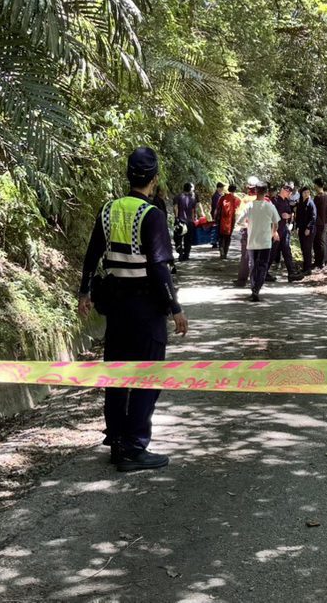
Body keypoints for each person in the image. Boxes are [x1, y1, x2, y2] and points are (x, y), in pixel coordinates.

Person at [78, 147, 189, 472]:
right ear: (154, 179)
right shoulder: (151, 215)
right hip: (146, 309)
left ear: (128, 176)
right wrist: (175, 307)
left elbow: (91, 254)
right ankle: (134, 446)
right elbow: (158, 268)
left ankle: (116, 438)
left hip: (116, 308)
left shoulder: (108, 210)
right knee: (147, 375)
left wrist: (84, 291)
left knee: (117, 374)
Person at [236, 180, 279, 301]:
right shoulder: (270, 206)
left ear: (255, 191)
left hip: (252, 241)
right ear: (266, 192)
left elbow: (239, 222)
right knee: (263, 266)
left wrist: (248, 226)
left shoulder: (249, 206)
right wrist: (271, 234)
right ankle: (257, 289)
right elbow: (276, 224)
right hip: (265, 241)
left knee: (253, 265)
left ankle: (254, 288)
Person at [267, 183, 304, 282]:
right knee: (272, 252)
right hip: (276, 229)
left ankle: (291, 273)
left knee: (287, 251)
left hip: (285, 229)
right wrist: (274, 230)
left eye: (291, 192)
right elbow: (271, 215)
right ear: (283, 190)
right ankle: (264, 271)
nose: (290, 193)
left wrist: (289, 216)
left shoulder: (287, 201)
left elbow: (290, 213)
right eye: (288, 191)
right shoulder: (275, 201)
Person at [312, 177, 327, 269]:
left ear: (317, 185)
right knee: (322, 242)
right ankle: (322, 261)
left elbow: (315, 211)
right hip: (326, 222)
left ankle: (320, 262)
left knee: (319, 242)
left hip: (320, 222)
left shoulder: (319, 197)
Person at [295, 186, 317, 274]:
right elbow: (298, 216)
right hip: (301, 228)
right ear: (301, 193)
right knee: (303, 248)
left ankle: (308, 269)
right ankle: (305, 267)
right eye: (304, 193)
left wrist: (308, 228)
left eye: (308, 192)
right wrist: (296, 227)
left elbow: (314, 217)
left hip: (309, 229)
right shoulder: (300, 202)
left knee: (307, 248)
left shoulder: (311, 203)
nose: (306, 194)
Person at [215, 184, 241, 259]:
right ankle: (225, 253)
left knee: (221, 236)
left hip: (222, 220)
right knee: (228, 237)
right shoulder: (236, 199)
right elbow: (238, 211)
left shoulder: (222, 198)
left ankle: (221, 249)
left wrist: (216, 218)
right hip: (231, 220)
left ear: (228, 189)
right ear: (235, 190)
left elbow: (217, 209)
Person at [174, 183, 197, 261]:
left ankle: (180, 253)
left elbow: (175, 208)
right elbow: (193, 210)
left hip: (180, 221)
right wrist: (194, 219)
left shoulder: (178, 197)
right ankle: (186, 255)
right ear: (190, 189)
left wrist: (176, 217)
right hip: (189, 222)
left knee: (178, 239)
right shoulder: (193, 198)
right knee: (188, 240)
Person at [210, 182, 225, 249]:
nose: (222, 189)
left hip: (217, 215)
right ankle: (214, 242)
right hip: (216, 215)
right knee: (216, 229)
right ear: (218, 188)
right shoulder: (216, 196)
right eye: (221, 188)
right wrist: (215, 216)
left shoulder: (219, 195)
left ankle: (216, 242)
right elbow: (216, 207)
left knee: (217, 229)